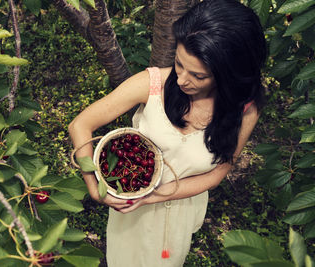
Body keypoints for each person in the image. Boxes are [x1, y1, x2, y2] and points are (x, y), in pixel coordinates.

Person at [68, 0, 267, 266]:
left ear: (230, 74)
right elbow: (80, 125)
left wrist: (157, 195)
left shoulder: (244, 111)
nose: (182, 79)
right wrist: (95, 188)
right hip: (132, 210)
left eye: (198, 75)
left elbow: (219, 171)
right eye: (178, 63)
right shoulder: (152, 85)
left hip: (183, 208)